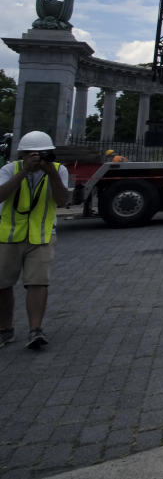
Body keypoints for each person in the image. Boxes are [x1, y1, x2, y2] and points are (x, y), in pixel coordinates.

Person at [0, 131, 70, 350]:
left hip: (42, 235)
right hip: (9, 236)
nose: (37, 158)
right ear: (22, 154)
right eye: (32, 154)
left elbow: (61, 201)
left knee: (38, 283)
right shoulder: (10, 169)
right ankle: (5, 329)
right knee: (3, 285)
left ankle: (35, 330)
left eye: (42, 154)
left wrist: (52, 174)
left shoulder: (58, 170)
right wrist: (23, 172)